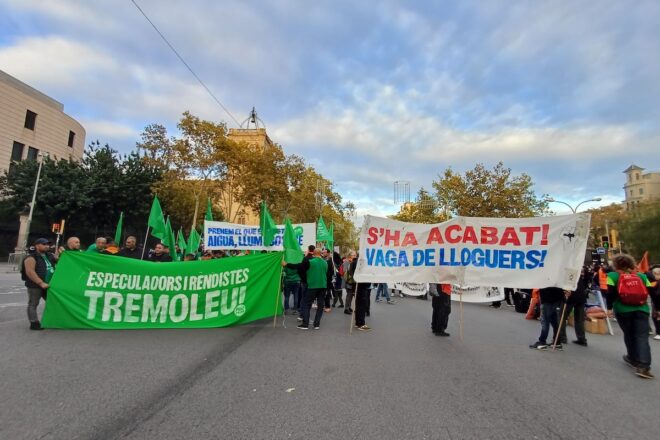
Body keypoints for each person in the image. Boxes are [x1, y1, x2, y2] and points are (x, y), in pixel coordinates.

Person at [607, 254, 654, 379]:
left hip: (623, 310)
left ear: (616, 265)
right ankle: (643, 367)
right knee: (642, 337)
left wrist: (609, 308)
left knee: (629, 334)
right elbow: (652, 293)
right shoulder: (642, 276)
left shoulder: (612, 276)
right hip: (642, 310)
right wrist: (658, 308)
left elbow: (610, 293)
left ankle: (632, 358)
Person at [283, 248, 327, 330]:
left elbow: (298, 266)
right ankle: (316, 324)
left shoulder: (310, 262)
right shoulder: (325, 263)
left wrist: (286, 264)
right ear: (320, 254)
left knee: (307, 304)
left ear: (313, 253)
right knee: (320, 306)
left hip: (312, 286)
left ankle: (305, 324)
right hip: (323, 286)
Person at [21, 238, 56, 330]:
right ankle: (34, 323)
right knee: (33, 304)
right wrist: (41, 283)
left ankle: (53, 319)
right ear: (37, 245)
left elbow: (62, 260)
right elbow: (30, 272)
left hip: (48, 285)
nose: (47, 246)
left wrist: (64, 253)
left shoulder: (50, 255)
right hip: (35, 285)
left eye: (48, 244)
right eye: (44, 244)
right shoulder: (31, 257)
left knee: (53, 302)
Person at [559, 266, 589, 347]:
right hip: (580, 296)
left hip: (570, 296)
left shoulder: (567, 270)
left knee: (562, 317)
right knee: (579, 319)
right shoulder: (577, 268)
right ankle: (582, 338)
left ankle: (562, 337)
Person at [649, 266, 660, 341]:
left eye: (654, 274)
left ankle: (659, 333)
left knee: (656, 317)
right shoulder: (656, 282)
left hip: (658, 303)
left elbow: (657, 294)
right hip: (656, 302)